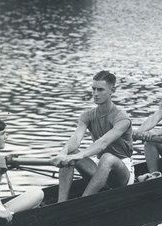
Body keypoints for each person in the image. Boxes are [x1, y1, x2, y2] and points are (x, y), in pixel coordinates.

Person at [51, 70, 134, 202]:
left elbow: (103, 143)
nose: (95, 94)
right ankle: (61, 204)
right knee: (71, 151)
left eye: (100, 89)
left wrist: (79, 156)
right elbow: (76, 139)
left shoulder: (121, 118)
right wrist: (63, 152)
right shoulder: (87, 115)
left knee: (107, 158)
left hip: (122, 172)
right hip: (100, 167)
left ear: (112, 90)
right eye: (93, 89)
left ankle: (84, 202)